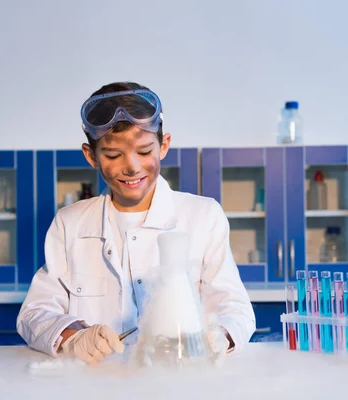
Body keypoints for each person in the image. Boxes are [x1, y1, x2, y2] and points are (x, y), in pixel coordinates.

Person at [17, 81, 256, 365]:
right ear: (90, 155)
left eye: (144, 152)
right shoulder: (70, 224)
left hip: (181, 382)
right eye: (113, 155)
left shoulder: (203, 216)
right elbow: (34, 313)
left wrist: (220, 334)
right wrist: (75, 335)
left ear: (164, 145)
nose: (131, 166)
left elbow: (235, 308)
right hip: (95, 385)